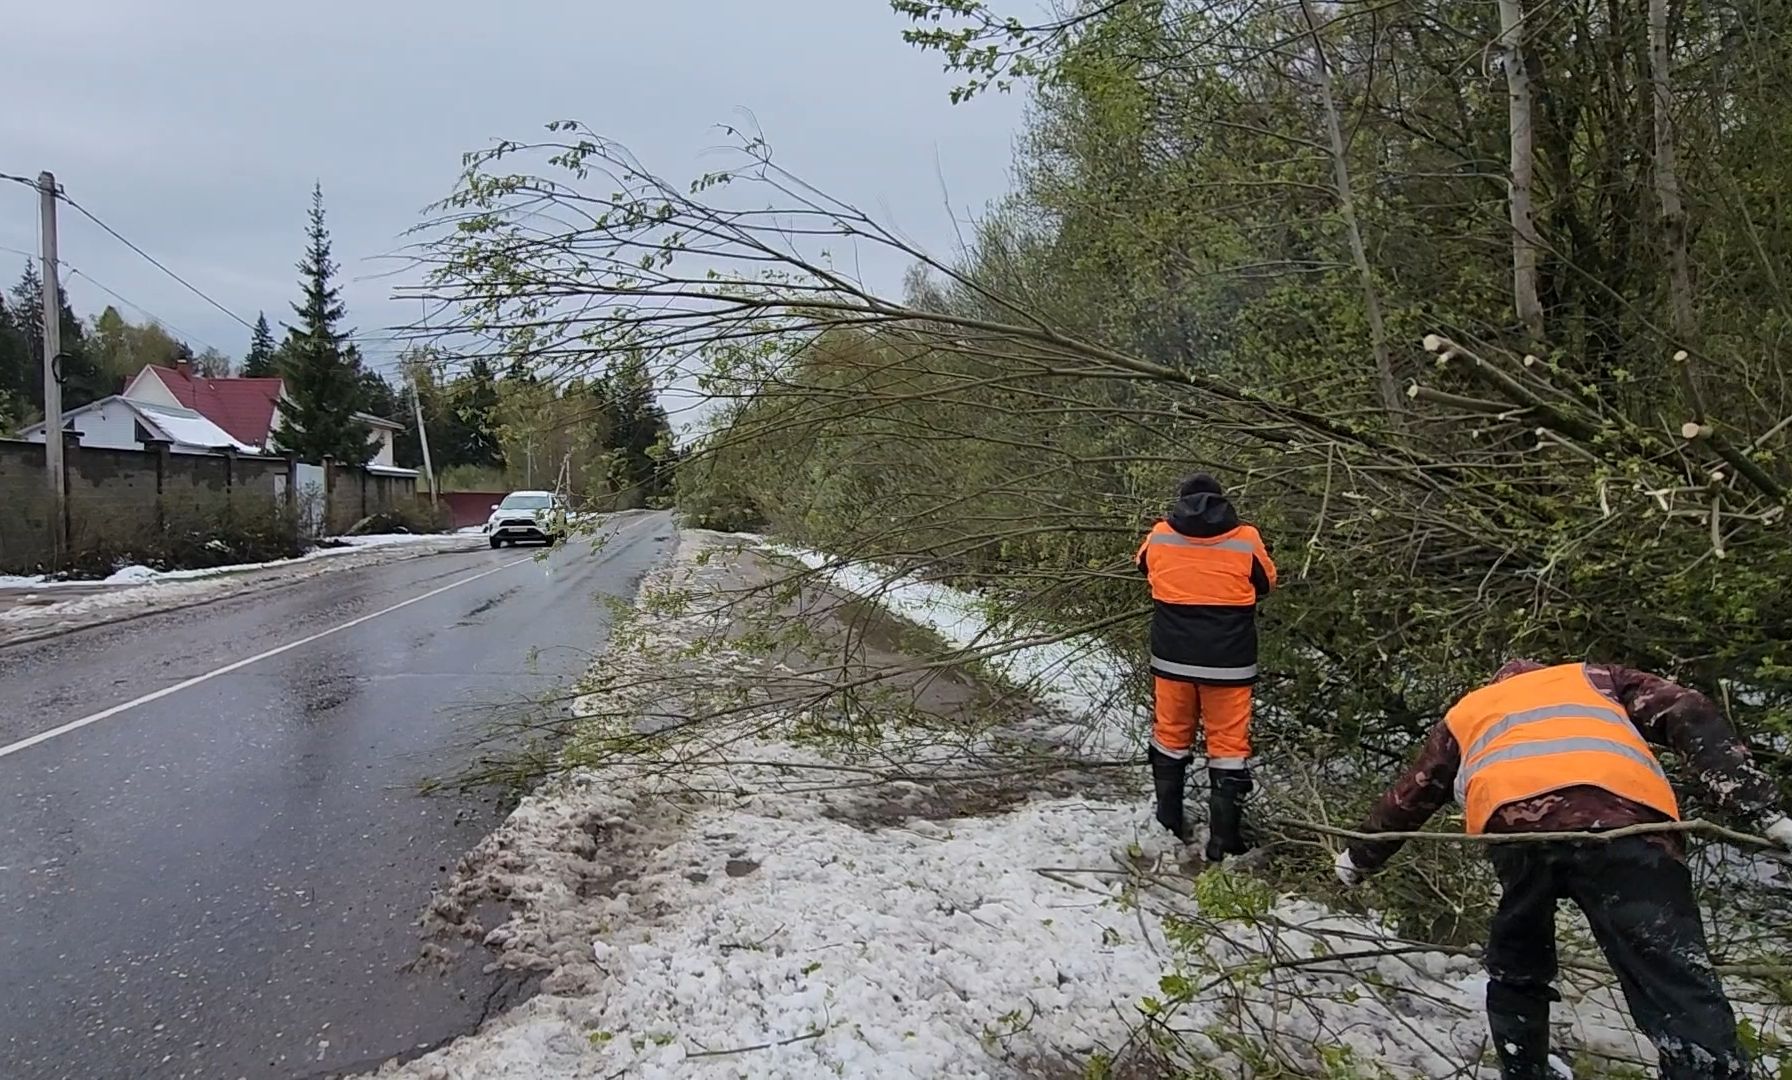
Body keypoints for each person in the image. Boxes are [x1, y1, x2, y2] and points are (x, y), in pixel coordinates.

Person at [1335, 659, 1792, 1080]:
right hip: (1625, 823)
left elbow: (1411, 795)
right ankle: (1707, 1068)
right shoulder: (1593, 678)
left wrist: (1358, 858)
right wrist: (1761, 809)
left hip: (1518, 829)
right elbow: (1686, 708)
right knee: (1671, 972)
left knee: (1519, 956)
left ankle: (1524, 1066)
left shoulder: (1470, 708)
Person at [1135, 472, 1276, 862]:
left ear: (1181, 500)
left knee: (1170, 736)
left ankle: (1168, 822)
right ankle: (1224, 841)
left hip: (1172, 660)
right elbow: (1267, 582)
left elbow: (1142, 566)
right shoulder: (1245, 538)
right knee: (1229, 747)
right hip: (1229, 664)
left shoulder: (1161, 534)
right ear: (1222, 501)